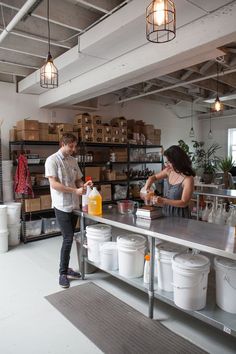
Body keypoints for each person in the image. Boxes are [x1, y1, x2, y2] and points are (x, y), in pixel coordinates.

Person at [45, 133, 92, 288]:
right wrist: (75, 190)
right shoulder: (52, 160)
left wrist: (84, 185)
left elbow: (78, 179)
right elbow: (54, 184)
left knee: (70, 238)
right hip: (61, 205)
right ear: (62, 144)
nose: (73, 149)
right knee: (68, 238)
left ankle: (67, 268)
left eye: (74, 146)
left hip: (74, 205)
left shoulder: (73, 160)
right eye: (70, 146)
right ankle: (62, 273)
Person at [142, 145, 195, 218]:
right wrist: (146, 188)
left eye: (169, 162)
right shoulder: (169, 171)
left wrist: (163, 201)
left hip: (180, 217)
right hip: (166, 214)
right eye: (167, 162)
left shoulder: (188, 179)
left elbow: (184, 202)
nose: (167, 165)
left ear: (177, 161)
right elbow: (152, 178)